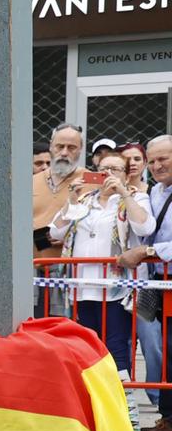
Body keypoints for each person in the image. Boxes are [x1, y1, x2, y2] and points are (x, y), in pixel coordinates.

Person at [52, 149, 150, 365]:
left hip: (116, 286)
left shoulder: (136, 197)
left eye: (114, 169)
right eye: (103, 169)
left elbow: (144, 227)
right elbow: (56, 232)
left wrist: (123, 193)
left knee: (116, 345)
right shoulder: (84, 200)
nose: (107, 174)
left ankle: (123, 393)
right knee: (86, 346)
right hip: (82, 286)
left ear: (126, 175)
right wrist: (71, 199)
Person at [121, 135, 172, 431]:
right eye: (151, 160)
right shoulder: (154, 192)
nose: (156, 166)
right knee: (167, 351)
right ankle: (168, 416)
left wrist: (148, 252)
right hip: (158, 286)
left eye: (163, 158)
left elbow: (149, 245)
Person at [33, 123, 84, 258]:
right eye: (60, 146)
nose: (64, 153)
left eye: (71, 147)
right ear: (51, 146)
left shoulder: (91, 183)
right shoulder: (30, 183)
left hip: (72, 269)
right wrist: (44, 239)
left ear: (81, 149)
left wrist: (64, 235)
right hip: (30, 269)